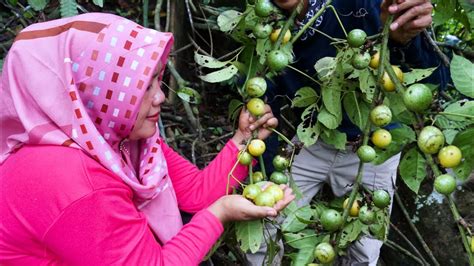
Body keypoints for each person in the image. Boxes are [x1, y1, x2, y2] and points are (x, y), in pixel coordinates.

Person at [0, 13, 295, 265]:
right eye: (143, 87)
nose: (161, 97)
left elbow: (195, 192)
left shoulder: (115, 141)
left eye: (158, 79)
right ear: (99, 94)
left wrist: (243, 139)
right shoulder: (75, 182)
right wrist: (220, 214)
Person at [247, 0, 449, 265]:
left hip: (375, 148)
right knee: (263, 222)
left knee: (366, 250)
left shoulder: (367, 5)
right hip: (313, 140)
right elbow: (263, 112)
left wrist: (403, 40)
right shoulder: (266, 29)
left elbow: (437, 82)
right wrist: (261, 173)